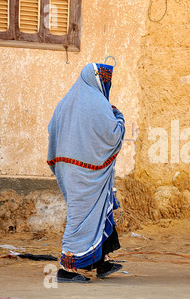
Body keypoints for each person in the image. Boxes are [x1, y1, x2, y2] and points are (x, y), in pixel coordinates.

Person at [47, 63, 125, 283]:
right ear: (100, 81)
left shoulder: (65, 103)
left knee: (98, 210)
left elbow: (52, 129)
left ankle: (101, 262)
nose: (107, 85)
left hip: (68, 166)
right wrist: (119, 117)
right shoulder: (99, 103)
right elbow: (112, 135)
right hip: (87, 170)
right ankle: (67, 268)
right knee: (80, 216)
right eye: (106, 81)